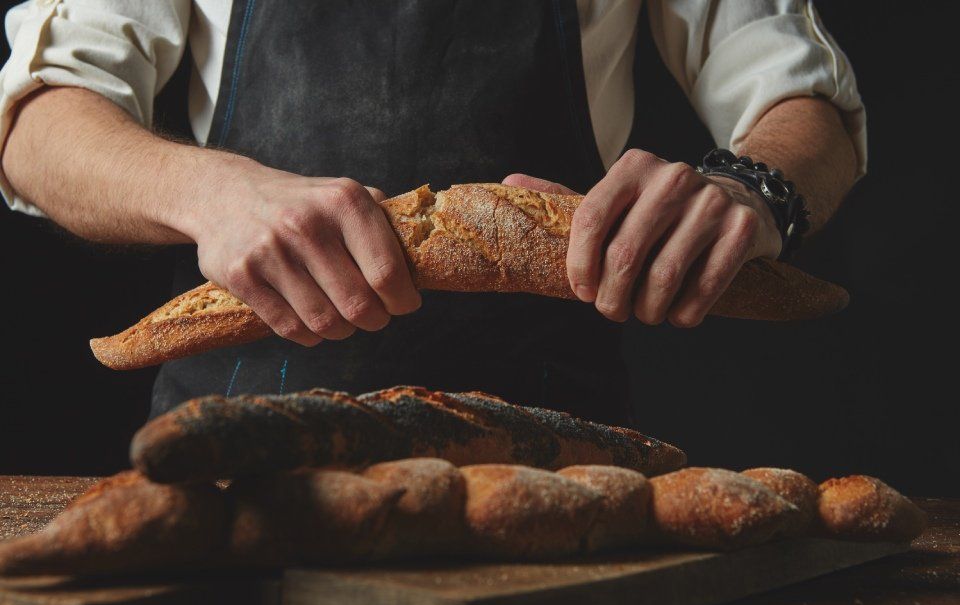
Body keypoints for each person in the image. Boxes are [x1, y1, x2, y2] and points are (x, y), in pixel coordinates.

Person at [0, 0, 864, 425]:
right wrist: (209, 191)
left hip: (555, 456)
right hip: (235, 452)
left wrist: (752, 187)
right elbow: (37, 122)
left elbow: (804, 100)